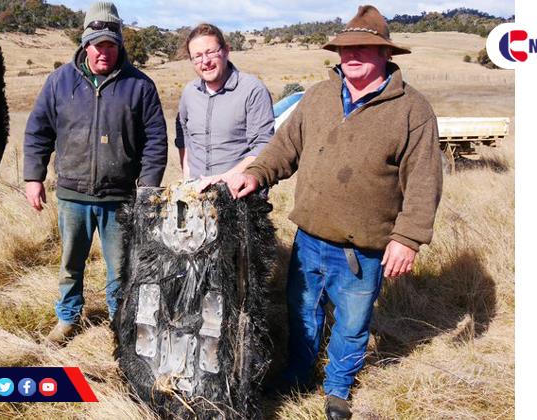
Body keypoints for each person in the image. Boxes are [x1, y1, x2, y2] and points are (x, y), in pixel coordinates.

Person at [226, 5, 442, 419]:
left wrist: (407, 238)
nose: (352, 55)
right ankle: (300, 373)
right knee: (301, 310)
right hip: (309, 237)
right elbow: (283, 149)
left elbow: (424, 182)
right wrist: (256, 174)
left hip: (363, 247)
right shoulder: (319, 96)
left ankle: (338, 388)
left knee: (352, 321)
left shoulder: (412, 109)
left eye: (364, 47)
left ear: (385, 54)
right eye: (346, 47)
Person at [23, 1, 167, 344]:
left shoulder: (140, 86)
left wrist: (147, 189)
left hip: (120, 198)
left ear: (120, 45)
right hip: (72, 195)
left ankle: (121, 322)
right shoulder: (59, 81)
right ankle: (68, 317)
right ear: (85, 44)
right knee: (70, 264)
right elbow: (38, 131)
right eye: (98, 45)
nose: (104, 52)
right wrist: (33, 177)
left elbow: (156, 142)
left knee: (121, 268)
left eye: (111, 45)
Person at [175, 23, 274, 191]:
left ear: (226, 51)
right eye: (197, 56)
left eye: (210, 52)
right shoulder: (189, 93)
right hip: (196, 196)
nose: (205, 61)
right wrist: (187, 178)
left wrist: (225, 178)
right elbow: (185, 137)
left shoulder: (253, 90)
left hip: (240, 196)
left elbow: (264, 146)